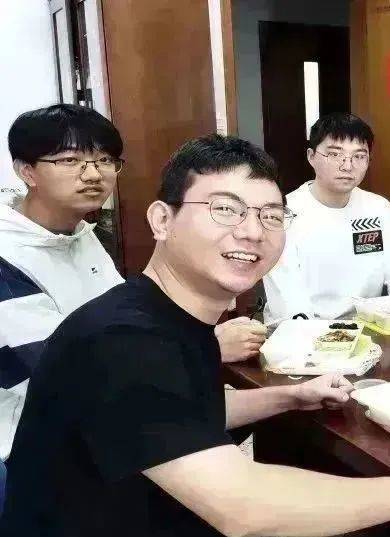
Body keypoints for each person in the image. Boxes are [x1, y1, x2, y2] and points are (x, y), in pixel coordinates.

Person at [0, 134, 390, 537]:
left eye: (270, 215)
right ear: (162, 219)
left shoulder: (161, 315)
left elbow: (175, 417)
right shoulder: (123, 341)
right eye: (225, 209)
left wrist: (288, 397)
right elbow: (239, 503)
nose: (252, 231)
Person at [0, 105, 267, 459]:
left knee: (259, 413)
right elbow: (65, 374)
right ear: (26, 171)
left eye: (104, 160)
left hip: (105, 418)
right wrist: (208, 346)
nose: (93, 174)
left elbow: (126, 325)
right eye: (70, 161)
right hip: (35, 445)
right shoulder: (7, 256)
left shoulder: (80, 235)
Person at [264, 113, 390, 321]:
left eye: (359, 156)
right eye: (335, 154)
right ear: (311, 156)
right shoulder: (285, 213)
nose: (347, 166)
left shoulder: (379, 209)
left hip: (367, 326)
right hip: (301, 330)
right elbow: (289, 303)